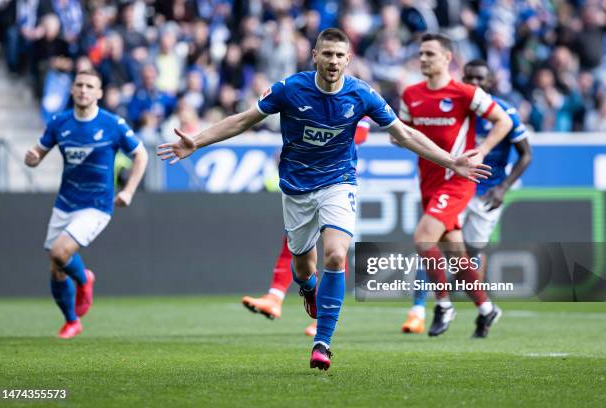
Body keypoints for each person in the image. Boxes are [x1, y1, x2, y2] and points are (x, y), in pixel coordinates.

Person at [157, 28, 490, 370]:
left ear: (348, 59)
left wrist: (452, 161)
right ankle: (308, 290)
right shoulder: (290, 88)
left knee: (335, 255)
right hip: (297, 188)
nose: (333, 61)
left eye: (339, 55)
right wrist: (196, 141)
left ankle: (322, 344)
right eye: (326, 54)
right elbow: (243, 120)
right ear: (315, 55)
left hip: (338, 182)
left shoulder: (361, 94)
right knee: (304, 270)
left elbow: (404, 134)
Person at [401, 59, 532, 336]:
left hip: (487, 193)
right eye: (469, 79)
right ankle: (422, 308)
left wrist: (503, 188)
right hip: (456, 186)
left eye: (479, 80)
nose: (474, 85)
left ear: (489, 82)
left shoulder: (502, 112)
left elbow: (526, 153)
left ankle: (483, 310)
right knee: (430, 239)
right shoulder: (458, 106)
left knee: (466, 253)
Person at [24, 69, 148, 339]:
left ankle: (84, 279)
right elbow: (38, 152)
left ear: (99, 93)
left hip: (97, 204)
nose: (83, 90)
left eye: (89, 86)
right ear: (72, 90)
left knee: (59, 253)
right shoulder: (59, 123)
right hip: (65, 202)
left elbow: (141, 155)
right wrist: (33, 157)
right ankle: (72, 321)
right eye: (79, 85)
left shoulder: (113, 124)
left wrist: (128, 191)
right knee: (56, 267)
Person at [241, 118, 371, 338]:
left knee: (336, 251)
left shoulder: (355, 93)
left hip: (338, 182)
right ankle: (277, 298)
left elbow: (362, 133)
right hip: (308, 182)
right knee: (295, 243)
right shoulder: (311, 93)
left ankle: (319, 316)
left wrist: (324, 138)